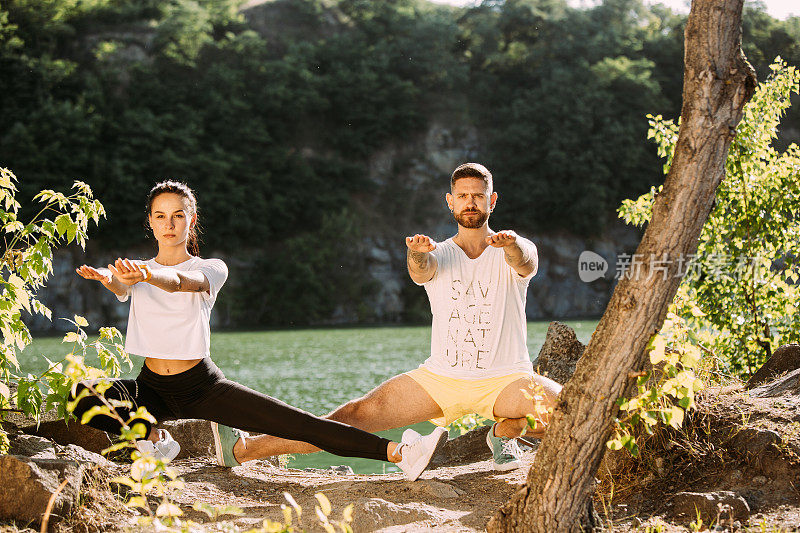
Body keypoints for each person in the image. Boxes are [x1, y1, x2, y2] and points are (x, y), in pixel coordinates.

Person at [70, 180, 447, 481]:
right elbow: (122, 287)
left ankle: (399, 453)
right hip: (151, 386)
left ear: (191, 220)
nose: (169, 224)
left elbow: (182, 282)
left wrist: (149, 274)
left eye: (178, 216)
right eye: (161, 216)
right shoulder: (137, 269)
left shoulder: (212, 267)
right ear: (150, 222)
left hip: (202, 387)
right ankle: (156, 439)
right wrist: (109, 278)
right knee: (82, 396)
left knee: (301, 425)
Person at [224, 163, 562, 471]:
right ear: (450, 201)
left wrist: (512, 244)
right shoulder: (438, 253)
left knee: (573, 410)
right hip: (441, 379)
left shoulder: (514, 246)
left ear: (493, 201)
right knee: (353, 415)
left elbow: (525, 262)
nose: (470, 202)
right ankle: (246, 450)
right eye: (463, 196)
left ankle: (506, 430)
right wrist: (416, 253)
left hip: (505, 381)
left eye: (478, 195)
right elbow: (421, 271)